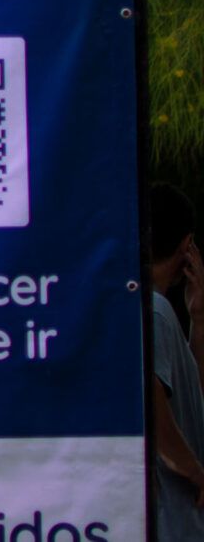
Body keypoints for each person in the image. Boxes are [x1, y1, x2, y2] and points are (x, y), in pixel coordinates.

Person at [151, 183, 204, 540]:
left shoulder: (161, 312)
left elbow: (192, 398)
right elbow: (151, 401)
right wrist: (194, 471)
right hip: (170, 520)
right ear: (187, 246)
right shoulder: (154, 311)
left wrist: (198, 318)